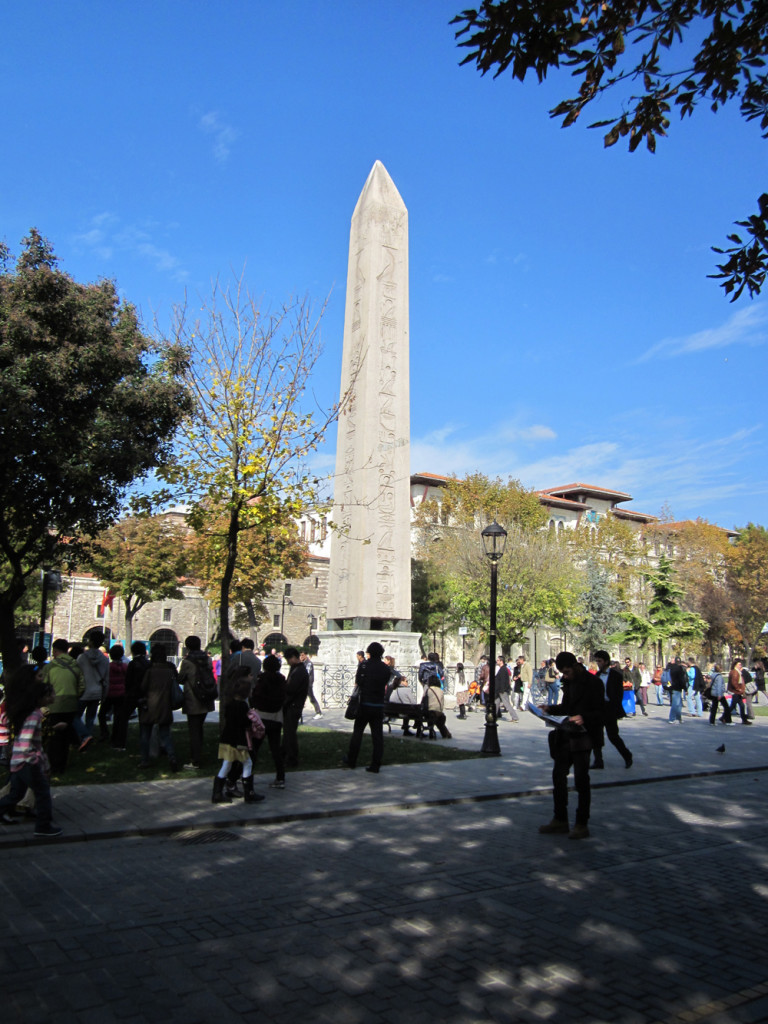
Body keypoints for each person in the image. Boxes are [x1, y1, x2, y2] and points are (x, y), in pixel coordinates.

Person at [538, 652, 605, 841]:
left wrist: (584, 717)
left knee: (581, 780)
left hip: (583, 738)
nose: (564, 676)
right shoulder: (569, 682)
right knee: (558, 775)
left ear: (574, 666)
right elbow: (566, 706)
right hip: (566, 736)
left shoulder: (593, 683)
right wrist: (550, 709)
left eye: (566, 671)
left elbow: (603, 712)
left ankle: (581, 823)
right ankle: (560, 819)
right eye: (562, 673)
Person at [0, 666, 62, 837]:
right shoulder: (34, 715)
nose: (53, 697)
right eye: (50, 695)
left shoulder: (30, 713)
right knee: (42, 793)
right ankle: (43, 826)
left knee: (16, 793)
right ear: (41, 697)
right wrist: (36, 760)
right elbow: (27, 740)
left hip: (20, 760)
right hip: (27, 761)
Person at [213, 673, 265, 804]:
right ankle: (249, 793)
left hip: (227, 738)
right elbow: (244, 723)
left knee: (227, 764)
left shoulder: (230, 704)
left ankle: (217, 792)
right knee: (247, 763)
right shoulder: (242, 706)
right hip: (238, 741)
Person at [344, 641, 389, 772]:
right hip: (378, 705)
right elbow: (385, 682)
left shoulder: (364, 665)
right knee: (377, 736)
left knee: (357, 733)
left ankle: (352, 760)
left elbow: (358, 681)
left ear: (369, 652)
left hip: (364, 703)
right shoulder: (385, 668)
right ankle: (376, 764)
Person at [41, 638, 85, 772]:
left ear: (55, 650)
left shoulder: (50, 666)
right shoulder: (75, 665)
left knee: (54, 736)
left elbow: (44, 685)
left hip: (54, 705)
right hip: (71, 705)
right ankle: (63, 764)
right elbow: (82, 686)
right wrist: (74, 696)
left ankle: (54, 764)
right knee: (66, 736)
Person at [138, 645, 180, 770]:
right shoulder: (169, 670)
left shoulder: (150, 671)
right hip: (165, 705)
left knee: (145, 734)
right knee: (165, 734)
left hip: (150, 705)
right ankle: (172, 756)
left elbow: (143, 687)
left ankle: (145, 759)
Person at [179, 635, 217, 769]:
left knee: (194, 730)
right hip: (206, 697)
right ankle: (198, 754)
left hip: (193, 699)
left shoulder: (187, 661)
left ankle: (195, 760)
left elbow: (181, 678)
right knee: (199, 728)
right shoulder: (206, 658)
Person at [249, 654, 287, 789]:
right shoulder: (281, 680)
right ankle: (280, 777)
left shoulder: (262, 679)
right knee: (275, 748)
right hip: (276, 717)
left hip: (261, 717)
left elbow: (256, 696)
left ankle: (247, 776)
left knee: (253, 748)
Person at [592, 650, 632, 768]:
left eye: (599, 661)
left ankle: (627, 755)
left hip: (610, 708)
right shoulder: (597, 675)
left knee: (613, 736)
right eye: (597, 661)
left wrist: (614, 709)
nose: (598, 663)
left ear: (606, 661)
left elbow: (618, 695)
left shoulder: (615, 675)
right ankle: (598, 761)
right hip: (599, 708)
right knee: (596, 735)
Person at [76, 631, 108, 745]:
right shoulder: (104, 659)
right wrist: (105, 694)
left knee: (75, 716)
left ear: (91, 641)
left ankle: (84, 736)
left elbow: (77, 674)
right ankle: (87, 739)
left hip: (84, 691)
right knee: (90, 718)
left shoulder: (82, 658)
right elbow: (106, 677)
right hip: (97, 692)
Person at [281, 647, 309, 768]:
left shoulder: (300, 671)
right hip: (291, 705)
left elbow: (292, 689)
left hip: (294, 705)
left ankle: (292, 758)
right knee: (288, 732)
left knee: (290, 732)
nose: (288, 662)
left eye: (288, 659)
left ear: (293, 658)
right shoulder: (295, 669)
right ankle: (285, 753)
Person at [99, 645, 128, 749]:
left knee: (102, 714)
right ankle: (116, 739)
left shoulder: (108, 666)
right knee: (118, 718)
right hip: (121, 693)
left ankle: (105, 732)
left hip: (110, 694)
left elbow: (104, 679)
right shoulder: (125, 666)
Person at [421, 673, 452, 739]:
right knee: (439, 720)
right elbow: (442, 703)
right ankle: (446, 734)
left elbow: (423, 702)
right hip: (439, 712)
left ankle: (429, 732)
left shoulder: (428, 690)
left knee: (429, 714)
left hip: (430, 712)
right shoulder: (441, 691)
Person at [722, 659, 752, 725]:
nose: (740, 665)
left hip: (737, 692)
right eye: (739, 664)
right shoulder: (735, 672)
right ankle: (723, 717)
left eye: (741, 664)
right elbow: (734, 682)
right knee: (733, 706)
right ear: (735, 665)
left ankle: (744, 720)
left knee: (741, 705)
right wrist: (739, 689)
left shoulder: (737, 671)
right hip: (736, 692)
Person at [494, 655, 519, 722]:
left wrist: (502, 689)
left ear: (501, 661)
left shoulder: (503, 669)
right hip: (499, 690)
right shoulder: (502, 669)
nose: (497, 661)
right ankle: (494, 716)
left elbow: (503, 681)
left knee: (506, 703)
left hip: (502, 690)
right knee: (496, 703)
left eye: (498, 660)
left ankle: (514, 717)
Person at [300, 651, 323, 719]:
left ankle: (318, 712)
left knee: (312, 698)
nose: (301, 657)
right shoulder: (304, 663)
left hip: (307, 684)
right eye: (300, 655)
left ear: (306, 656)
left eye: (302, 655)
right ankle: (299, 714)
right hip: (304, 684)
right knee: (302, 699)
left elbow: (306, 673)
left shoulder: (309, 663)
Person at [667, 657, 688, 724]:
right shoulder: (680, 669)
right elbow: (683, 679)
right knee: (676, 704)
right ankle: (672, 718)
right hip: (678, 687)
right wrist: (685, 688)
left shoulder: (671, 668)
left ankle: (678, 718)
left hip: (673, 686)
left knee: (678, 704)